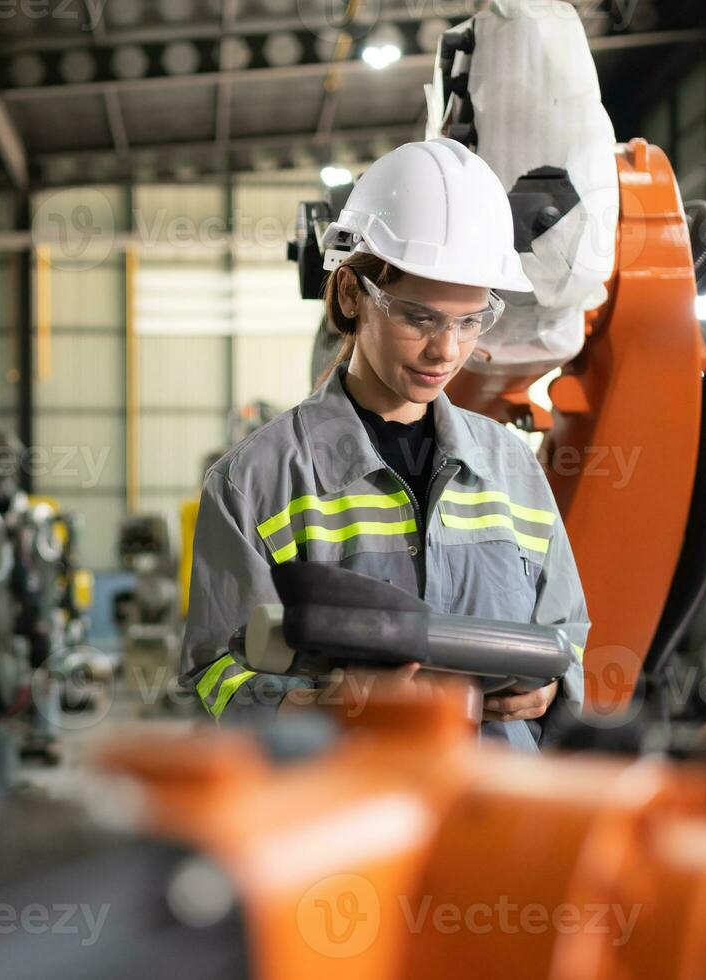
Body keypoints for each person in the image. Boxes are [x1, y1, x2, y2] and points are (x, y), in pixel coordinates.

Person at [180, 138, 588, 751]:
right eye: (419, 317)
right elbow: (214, 671)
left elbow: (566, 634)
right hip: (351, 800)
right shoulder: (255, 483)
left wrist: (550, 688)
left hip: (496, 800)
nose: (446, 350)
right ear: (351, 294)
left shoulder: (512, 469)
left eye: (469, 320)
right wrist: (313, 707)